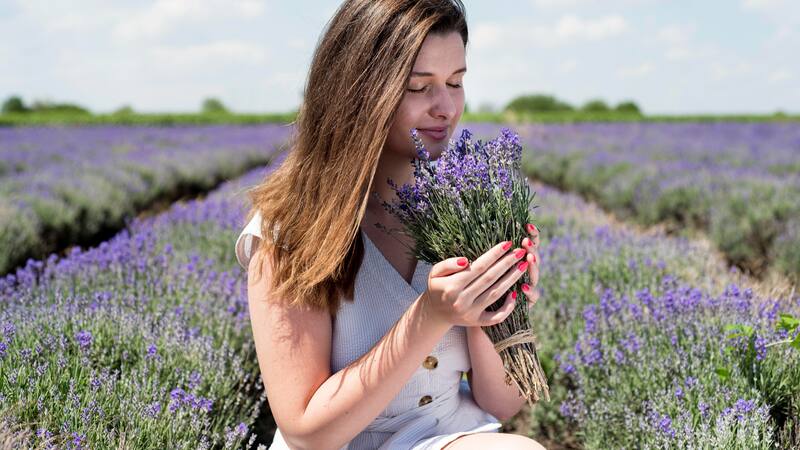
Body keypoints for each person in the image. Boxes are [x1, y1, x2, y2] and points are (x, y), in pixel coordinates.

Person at [234, 0, 546, 448]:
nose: (446, 107)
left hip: (441, 435)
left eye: (456, 82)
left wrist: (498, 307)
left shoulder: (468, 212)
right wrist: (431, 316)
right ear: (359, 93)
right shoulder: (291, 229)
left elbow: (501, 403)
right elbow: (306, 432)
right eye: (420, 88)